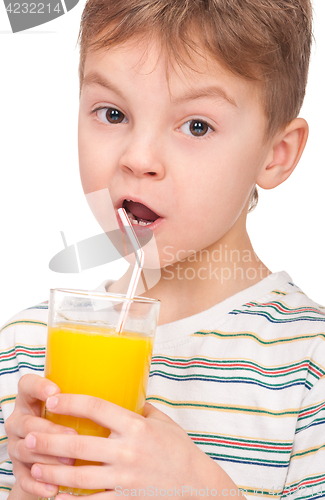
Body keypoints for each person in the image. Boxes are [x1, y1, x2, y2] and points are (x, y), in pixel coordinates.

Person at [1, 0, 325, 498]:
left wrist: (203, 490)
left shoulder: (309, 370)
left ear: (276, 154)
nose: (139, 157)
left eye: (197, 126)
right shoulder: (22, 355)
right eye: (113, 114)